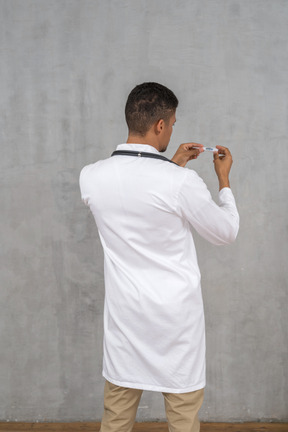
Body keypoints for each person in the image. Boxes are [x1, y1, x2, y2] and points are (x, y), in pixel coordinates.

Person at [79, 82, 239, 432]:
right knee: (183, 420)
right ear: (161, 126)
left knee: (116, 419)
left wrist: (174, 164)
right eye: (174, 122)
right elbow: (225, 233)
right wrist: (223, 182)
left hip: (125, 321)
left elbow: (139, 194)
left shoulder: (90, 177)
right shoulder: (180, 183)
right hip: (175, 323)